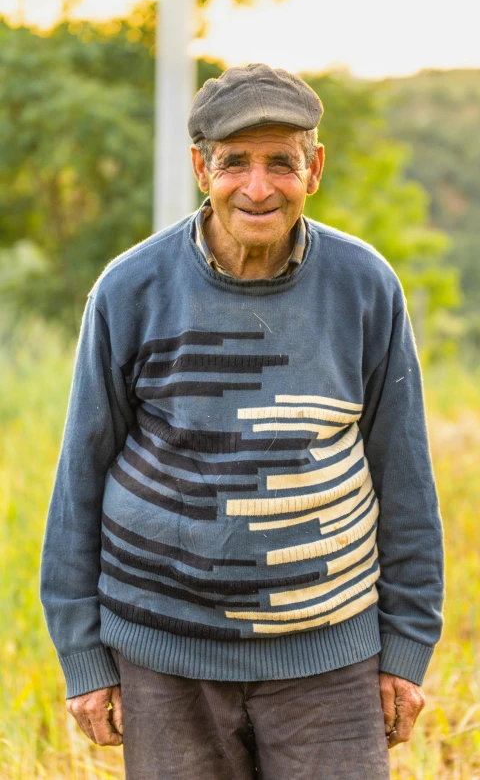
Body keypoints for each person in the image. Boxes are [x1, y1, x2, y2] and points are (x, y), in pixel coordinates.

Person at [41, 63, 444, 780]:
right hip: (165, 656)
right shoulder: (130, 289)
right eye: (234, 162)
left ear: (314, 168)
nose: (258, 188)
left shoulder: (365, 285)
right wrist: (82, 655)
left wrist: (407, 646)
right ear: (201, 166)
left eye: (280, 162)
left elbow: (405, 478)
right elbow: (79, 477)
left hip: (330, 657)